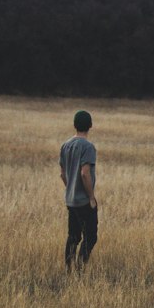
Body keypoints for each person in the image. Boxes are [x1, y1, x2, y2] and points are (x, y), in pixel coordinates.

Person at [60, 109, 98, 274]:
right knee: (91, 235)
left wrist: (70, 188)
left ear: (74, 125)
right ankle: (81, 269)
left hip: (70, 200)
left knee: (73, 236)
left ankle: (69, 269)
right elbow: (84, 173)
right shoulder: (88, 147)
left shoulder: (66, 145)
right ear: (90, 126)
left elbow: (62, 173)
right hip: (83, 200)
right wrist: (91, 197)